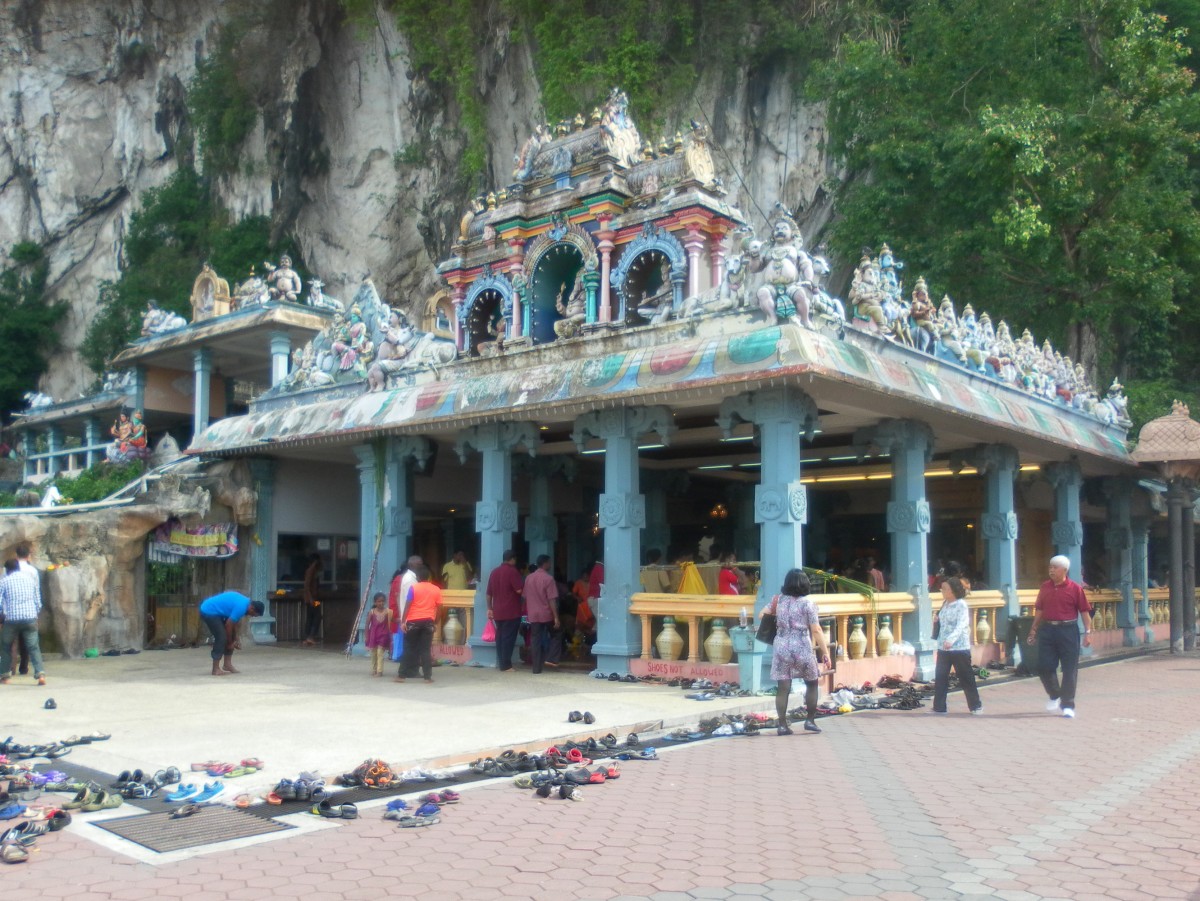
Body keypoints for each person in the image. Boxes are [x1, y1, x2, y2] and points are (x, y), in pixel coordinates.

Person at [761, 569, 829, 735]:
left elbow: (761, 614)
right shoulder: (808, 604)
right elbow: (816, 630)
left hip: (781, 646)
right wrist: (825, 653)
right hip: (801, 646)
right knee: (811, 682)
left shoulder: (778, 600)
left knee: (783, 686)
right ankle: (810, 720)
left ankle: (782, 725)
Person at [1028, 555, 1093, 718]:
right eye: (1050, 567)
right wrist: (1033, 629)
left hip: (1068, 630)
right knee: (1044, 666)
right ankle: (1055, 694)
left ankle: (1068, 704)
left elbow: (1084, 612)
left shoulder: (1075, 588)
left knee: (1069, 669)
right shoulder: (1045, 587)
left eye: (1055, 567)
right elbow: (1040, 610)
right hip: (1048, 629)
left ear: (1064, 570)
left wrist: (1088, 633)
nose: (1051, 570)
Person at [931, 577, 982, 715]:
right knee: (941, 677)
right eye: (942, 588)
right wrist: (936, 619)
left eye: (945, 589)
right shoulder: (945, 604)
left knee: (966, 677)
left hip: (959, 647)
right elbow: (943, 622)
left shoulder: (961, 605)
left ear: (953, 591)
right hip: (943, 647)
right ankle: (939, 707)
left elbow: (962, 624)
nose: (942, 591)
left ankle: (975, 706)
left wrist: (951, 640)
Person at [0, 558, 45, 686]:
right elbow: (38, 601)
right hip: (30, 617)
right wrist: (35, 614)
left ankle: (5, 676)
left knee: (6, 646)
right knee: (33, 646)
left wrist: (1, 618)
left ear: (7, 570)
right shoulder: (30, 580)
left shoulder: (4, 581)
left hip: (12, 619)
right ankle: (40, 674)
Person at [198, 591, 264, 676]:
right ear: (252, 608)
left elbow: (234, 624)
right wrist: (229, 643)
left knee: (230, 634)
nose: (251, 616)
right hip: (208, 610)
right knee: (221, 637)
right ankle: (215, 669)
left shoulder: (245, 604)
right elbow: (228, 625)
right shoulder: (241, 607)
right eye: (253, 615)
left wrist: (235, 638)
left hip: (219, 612)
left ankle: (227, 665)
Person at [397, 565, 441, 683]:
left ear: (418, 577)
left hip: (413, 622)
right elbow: (440, 608)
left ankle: (401, 675)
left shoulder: (413, 588)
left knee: (409, 648)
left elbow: (408, 605)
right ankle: (428, 677)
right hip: (428, 622)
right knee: (425, 650)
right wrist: (435, 622)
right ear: (429, 577)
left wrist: (403, 621)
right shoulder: (436, 589)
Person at [486, 550, 524, 672]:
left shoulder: (494, 572)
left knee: (500, 637)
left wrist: (489, 608)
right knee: (508, 638)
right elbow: (519, 590)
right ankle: (506, 665)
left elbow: (488, 594)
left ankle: (502, 663)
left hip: (498, 611)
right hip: (511, 611)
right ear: (512, 559)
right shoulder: (513, 572)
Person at [524, 555, 561, 674]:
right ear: (545, 564)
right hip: (546, 613)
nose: (550, 565)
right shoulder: (548, 579)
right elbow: (551, 600)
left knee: (535, 640)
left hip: (533, 614)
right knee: (557, 634)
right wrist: (556, 617)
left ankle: (536, 668)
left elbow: (525, 596)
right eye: (549, 563)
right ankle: (552, 658)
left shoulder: (528, 578)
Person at [365, 592, 392, 677]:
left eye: (383, 601)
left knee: (380, 653)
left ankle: (379, 671)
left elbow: (393, 620)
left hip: (383, 635)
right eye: (379, 601)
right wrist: (366, 636)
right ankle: (374, 669)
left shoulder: (388, 612)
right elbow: (367, 625)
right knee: (373, 654)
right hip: (373, 635)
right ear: (375, 602)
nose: (381, 603)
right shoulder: (372, 612)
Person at [301, 554, 323, 646]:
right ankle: (311, 636)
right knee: (317, 616)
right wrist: (311, 599)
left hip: (314, 598)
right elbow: (307, 586)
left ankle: (308, 637)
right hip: (312, 599)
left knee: (311, 616)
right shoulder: (311, 570)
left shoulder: (314, 571)